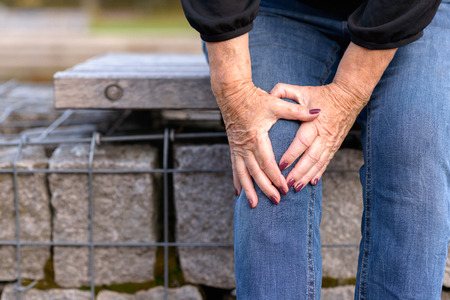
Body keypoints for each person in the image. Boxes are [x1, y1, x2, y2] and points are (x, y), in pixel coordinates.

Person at [181, 0, 450, 298]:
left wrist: (348, 94)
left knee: (414, 140)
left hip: (418, 13)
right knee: (274, 151)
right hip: (277, 10)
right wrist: (235, 93)